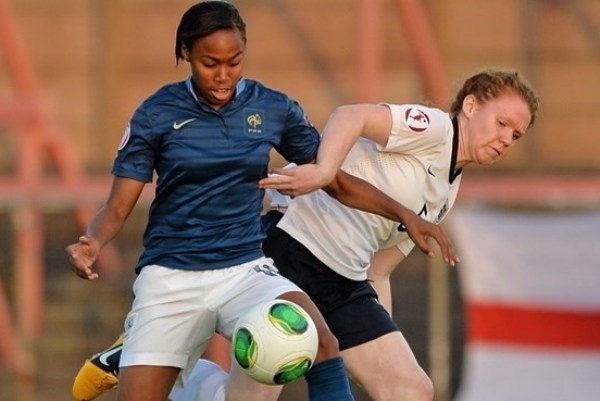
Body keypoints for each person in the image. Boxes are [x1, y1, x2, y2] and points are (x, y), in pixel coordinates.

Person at [66, 2, 457, 401]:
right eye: (209, 63)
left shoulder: (272, 108)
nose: (223, 76)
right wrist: (92, 242)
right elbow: (117, 206)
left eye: (234, 62)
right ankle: (159, 363)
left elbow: (335, 180)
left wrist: (406, 215)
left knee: (320, 341)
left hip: (243, 269)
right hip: (172, 276)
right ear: (185, 53)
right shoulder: (156, 114)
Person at [257, 68, 539, 401]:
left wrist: (380, 335)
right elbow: (351, 115)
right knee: (258, 386)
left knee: (412, 390)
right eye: (502, 123)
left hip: (342, 278)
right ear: (471, 107)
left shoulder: (445, 194)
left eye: (516, 135)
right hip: (293, 242)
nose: (507, 139)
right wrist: (324, 171)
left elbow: (378, 269)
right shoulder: (434, 128)